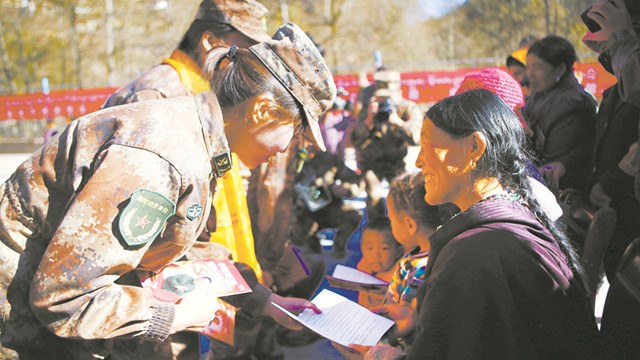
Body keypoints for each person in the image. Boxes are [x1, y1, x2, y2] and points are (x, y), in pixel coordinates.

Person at [0, 22, 336, 359]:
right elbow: (64, 297)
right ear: (262, 110)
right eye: (296, 133)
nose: (288, 148)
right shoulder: (160, 156)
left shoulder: (197, 141)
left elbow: (190, 246)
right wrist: (174, 316)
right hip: (20, 332)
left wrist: (265, 302)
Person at [345, 89, 600, 360]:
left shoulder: (474, 253)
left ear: (475, 148)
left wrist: (379, 355)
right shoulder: (504, 223)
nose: (419, 161)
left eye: (428, 145)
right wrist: (419, 317)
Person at [103, 0, 269, 282]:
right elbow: (135, 225)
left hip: (205, 270)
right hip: (158, 285)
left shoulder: (210, 96)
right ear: (209, 41)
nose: (254, 63)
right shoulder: (158, 95)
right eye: (245, 50)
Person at [582, 0, 640, 280]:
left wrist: (611, 182)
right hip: (619, 215)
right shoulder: (615, 93)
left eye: (608, 45)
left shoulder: (632, 88)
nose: (604, 53)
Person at [524, 34, 598, 193]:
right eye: (528, 66)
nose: (529, 74)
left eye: (537, 67)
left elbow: (553, 160)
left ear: (560, 69)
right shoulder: (538, 97)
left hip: (562, 191)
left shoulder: (573, 104)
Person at [356, 216, 405, 309]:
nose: (376, 255)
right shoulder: (363, 267)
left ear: (398, 252)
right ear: (362, 249)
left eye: (384, 248)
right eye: (369, 248)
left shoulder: (401, 277)